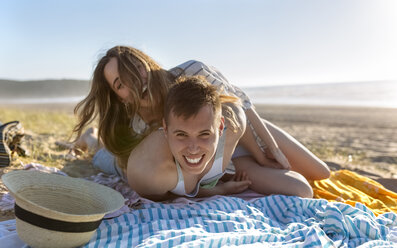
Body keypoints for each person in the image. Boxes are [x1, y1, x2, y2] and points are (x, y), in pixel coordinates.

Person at [72, 45, 330, 195]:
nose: (134, 81)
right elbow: (173, 183)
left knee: (321, 173)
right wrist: (217, 188)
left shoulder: (190, 72)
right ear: (119, 97)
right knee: (106, 158)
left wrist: (267, 150)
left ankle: (255, 157)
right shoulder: (138, 127)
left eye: (135, 69)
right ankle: (91, 138)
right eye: (120, 83)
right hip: (218, 156)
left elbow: (242, 102)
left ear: (146, 63)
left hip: (237, 131)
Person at [128, 76, 313, 200]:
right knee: (302, 190)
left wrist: (262, 158)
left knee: (318, 176)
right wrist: (221, 189)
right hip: (219, 160)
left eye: (204, 134)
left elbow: (241, 114)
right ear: (166, 129)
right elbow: (181, 194)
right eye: (182, 135)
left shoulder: (234, 122)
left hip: (230, 150)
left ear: (220, 126)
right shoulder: (150, 174)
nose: (193, 148)